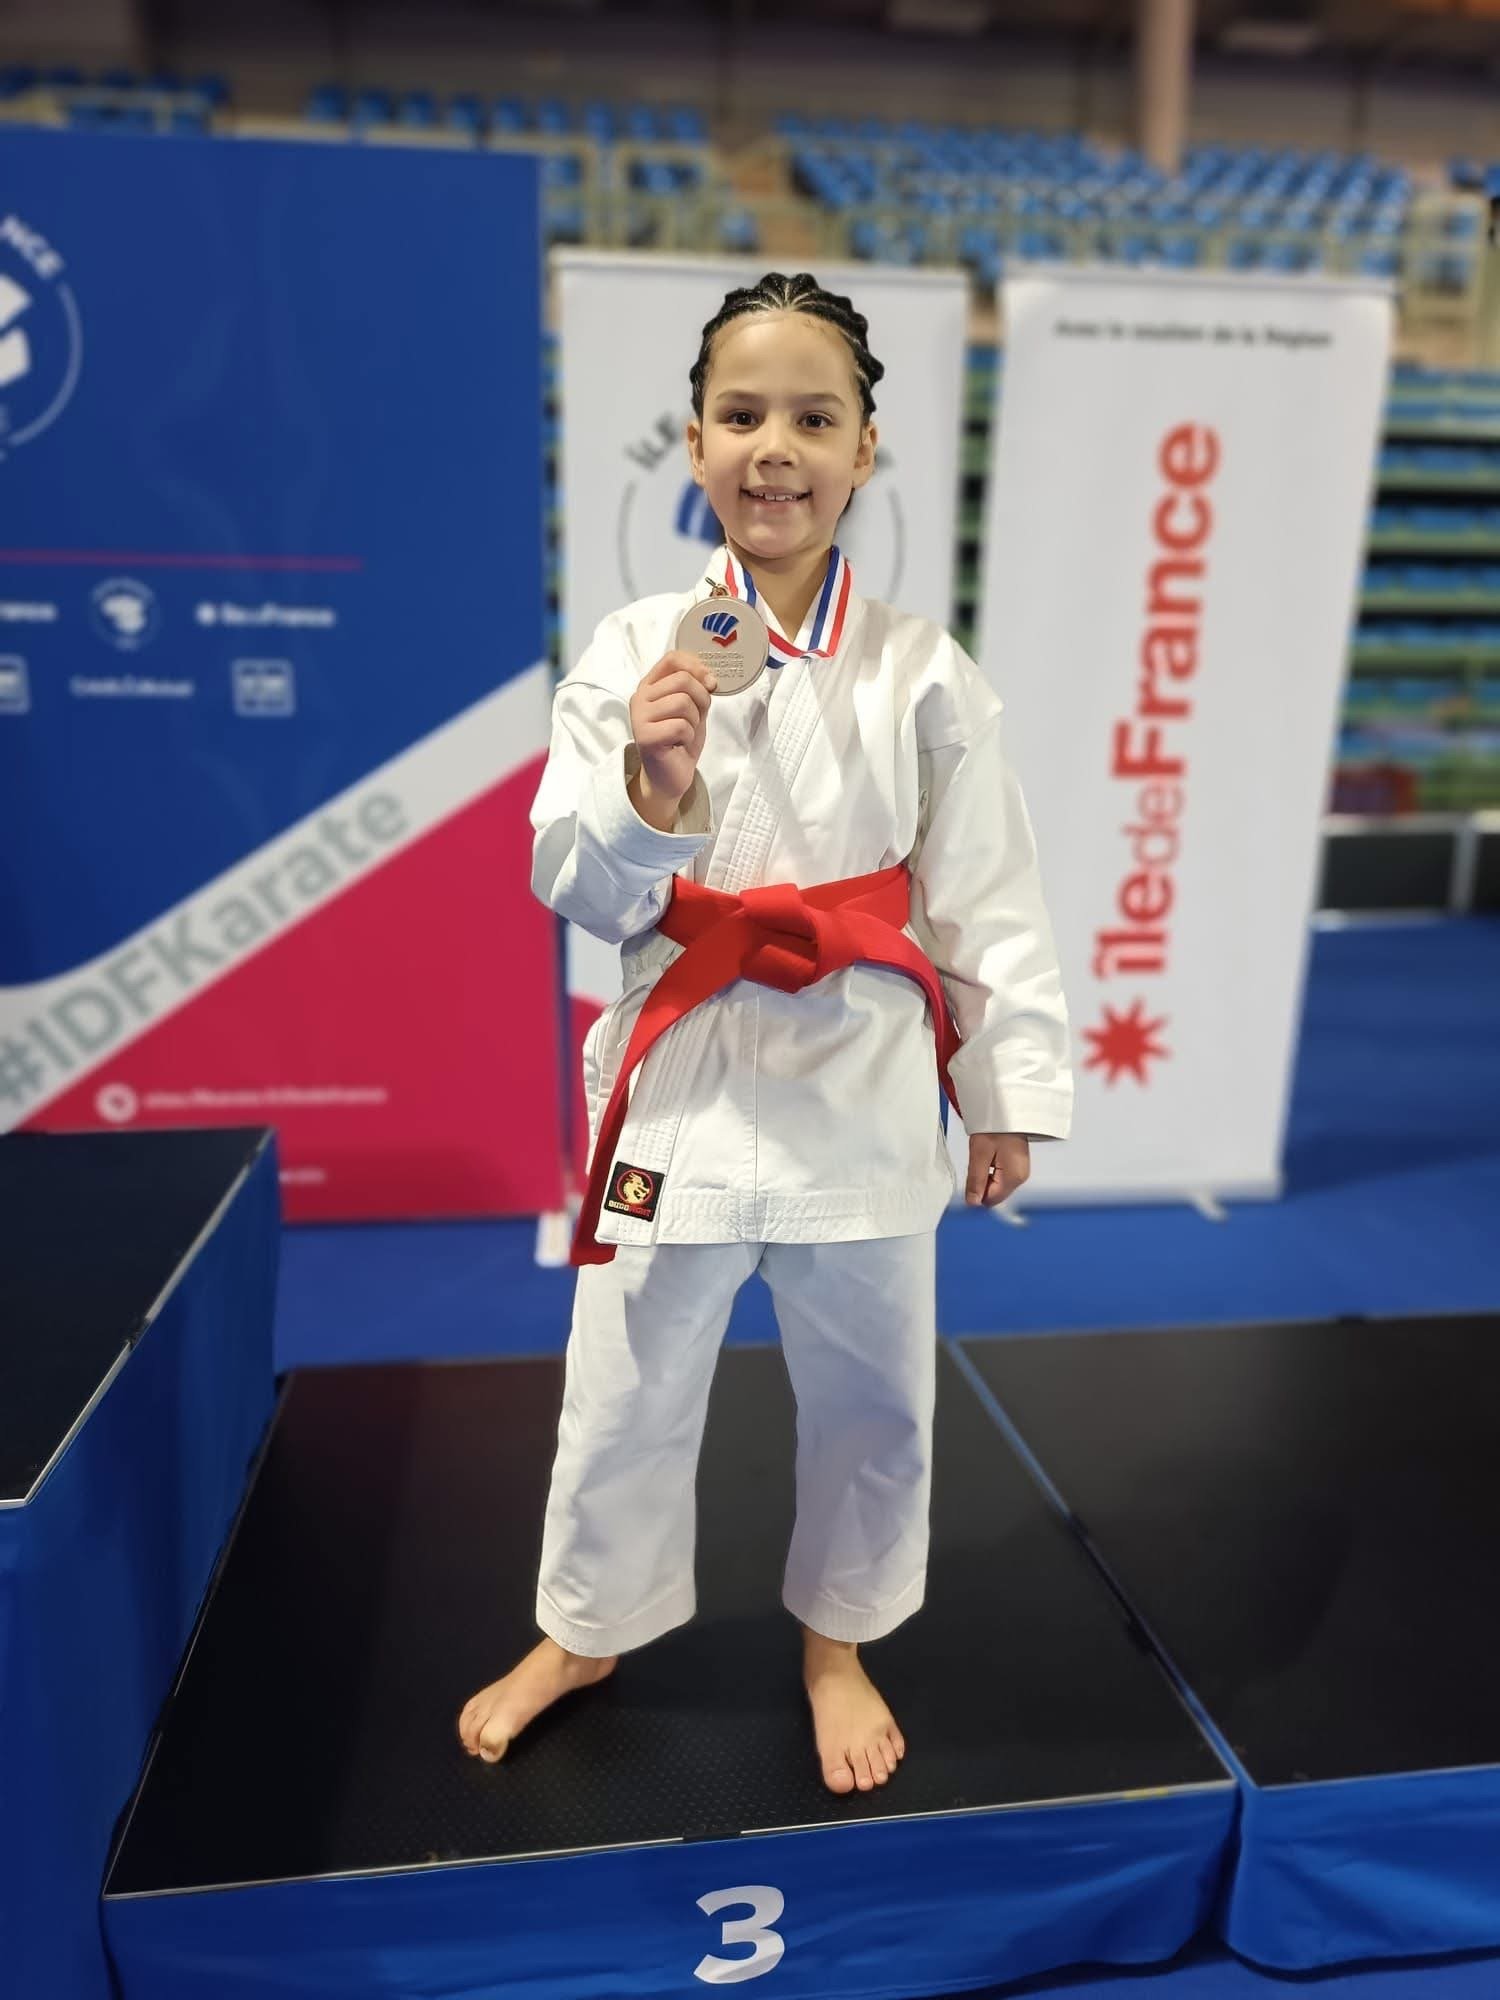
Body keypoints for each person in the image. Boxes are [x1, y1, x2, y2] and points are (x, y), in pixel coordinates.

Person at [458, 271, 1072, 1796]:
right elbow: (571, 883)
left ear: (866, 449)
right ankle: (587, 1629)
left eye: (814, 417)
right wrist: (646, 792)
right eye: (741, 415)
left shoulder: (925, 671)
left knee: (874, 1393)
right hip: (679, 1081)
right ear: (694, 444)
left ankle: (838, 1641)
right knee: (622, 1384)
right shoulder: (632, 651)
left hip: (860, 1080)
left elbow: (984, 895)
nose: (774, 447)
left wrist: (1004, 1086)